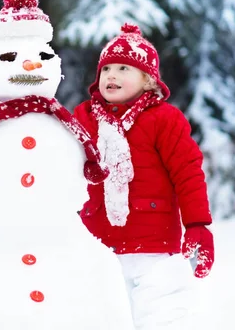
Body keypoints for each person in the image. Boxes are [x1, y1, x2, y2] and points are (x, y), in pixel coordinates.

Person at [74, 23, 215, 330]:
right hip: (97, 245)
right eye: (106, 68)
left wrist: (197, 224)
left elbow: (187, 172)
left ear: (148, 79)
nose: (111, 75)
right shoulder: (82, 118)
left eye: (124, 68)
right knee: (101, 317)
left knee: (162, 316)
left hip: (153, 245)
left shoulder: (164, 119)